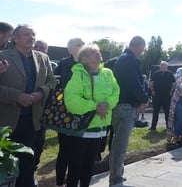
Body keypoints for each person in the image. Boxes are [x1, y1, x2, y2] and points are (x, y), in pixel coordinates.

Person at [0, 24, 57, 187]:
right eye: (26, 34)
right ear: (15, 39)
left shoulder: (43, 58)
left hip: (31, 122)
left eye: (33, 34)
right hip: (2, 123)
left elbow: (52, 81)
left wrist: (41, 93)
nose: (31, 37)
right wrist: (17, 96)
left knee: (26, 167)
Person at [63, 44, 119, 187]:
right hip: (82, 130)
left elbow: (115, 92)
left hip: (98, 128)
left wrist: (107, 104)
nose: (98, 54)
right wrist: (95, 107)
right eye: (94, 52)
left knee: (89, 167)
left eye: (98, 51)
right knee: (75, 167)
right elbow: (71, 100)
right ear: (85, 59)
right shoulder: (79, 74)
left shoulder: (108, 73)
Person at [109, 36, 148, 186]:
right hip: (124, 106)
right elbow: (133, 83)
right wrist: (144, 98)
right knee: (120, 144)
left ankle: (117, 175)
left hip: (121, 105)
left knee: (118, 143)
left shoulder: (124, 58)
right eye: (142, 49)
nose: (142, 53)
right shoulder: (129, 60)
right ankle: (116, 177)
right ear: (138, 46)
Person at [53, 37, 85, 186]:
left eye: (82, 44)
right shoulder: (64, 64)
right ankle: (59, 182)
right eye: (78, 45)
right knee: (64, 149)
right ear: (69, 49)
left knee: (78, 150)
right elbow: (56, 84)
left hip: (82, 111)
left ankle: (73, 181)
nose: (82, 47)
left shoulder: (87, 64)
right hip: (64, 111)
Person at [149, 61, 175, 131]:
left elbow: (173, 84)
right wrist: (152, 90)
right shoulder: (156, 73)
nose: (162, 67)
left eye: (164, 66)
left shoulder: (170, 74)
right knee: (155, 111)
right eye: (161, 66)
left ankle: (168, 127)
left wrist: (171, 92)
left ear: (166, 67)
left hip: (166, 96)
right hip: (156, 95)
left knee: (167, 112)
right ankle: (153, 127)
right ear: (160, 66)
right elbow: (152, 82)